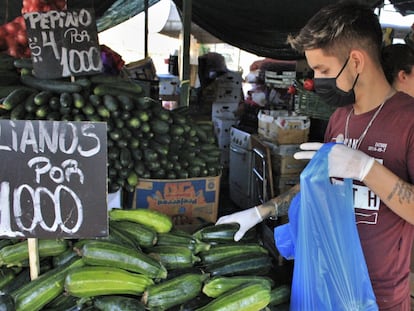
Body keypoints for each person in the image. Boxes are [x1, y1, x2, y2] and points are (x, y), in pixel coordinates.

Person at [216, 2, 414, 310]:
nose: (317, 79)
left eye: (323, 69)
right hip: (323, 283)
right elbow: (315, 186)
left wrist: (365, 168)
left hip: (379, 297)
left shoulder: (408, 120)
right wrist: (262, 211)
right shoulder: (339, 118)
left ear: (357, 61)